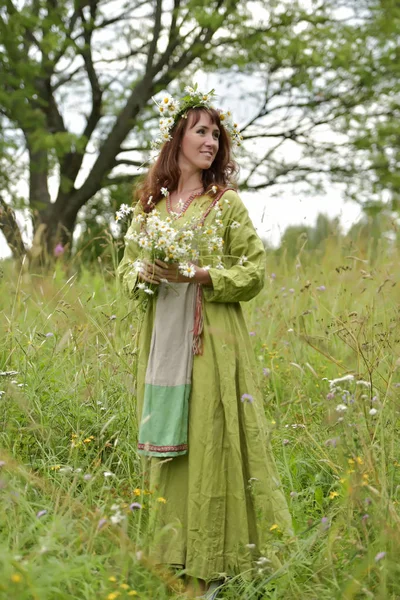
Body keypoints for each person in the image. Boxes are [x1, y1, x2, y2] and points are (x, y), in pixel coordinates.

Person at [117, 87, 293, 599]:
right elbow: (126, 271)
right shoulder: (149, 209)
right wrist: (145, 273)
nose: (211, 141)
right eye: (201, 130)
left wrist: (198, 273)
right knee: (171, 450)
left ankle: (217, 564)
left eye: (216, 134)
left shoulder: (226, 205)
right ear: (175, 140)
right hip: (162, 345)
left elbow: (254, 271)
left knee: (212, 441)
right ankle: (173, 559)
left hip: (211, 342)